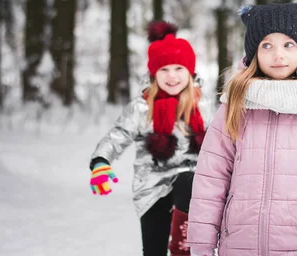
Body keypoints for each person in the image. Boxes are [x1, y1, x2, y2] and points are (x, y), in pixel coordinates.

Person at [187, 1, 297, 256]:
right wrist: (201, 243)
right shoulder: (235, 103)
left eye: (288, 44)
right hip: (240, 243)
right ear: (253, 53)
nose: (277, 54)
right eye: (266, 45)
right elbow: (210, 178)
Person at [89, 21, 212, 256]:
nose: (172, 76)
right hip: (152, 185)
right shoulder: (142, 107)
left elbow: (222, 141)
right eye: (164, 70)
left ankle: (182, 247)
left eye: (178, 69)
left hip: (190, 188)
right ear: (154, 74)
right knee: (153, 249)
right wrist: (101, 161)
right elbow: (119, 134)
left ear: (190, 72)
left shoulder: (202, 106)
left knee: (187, 179)